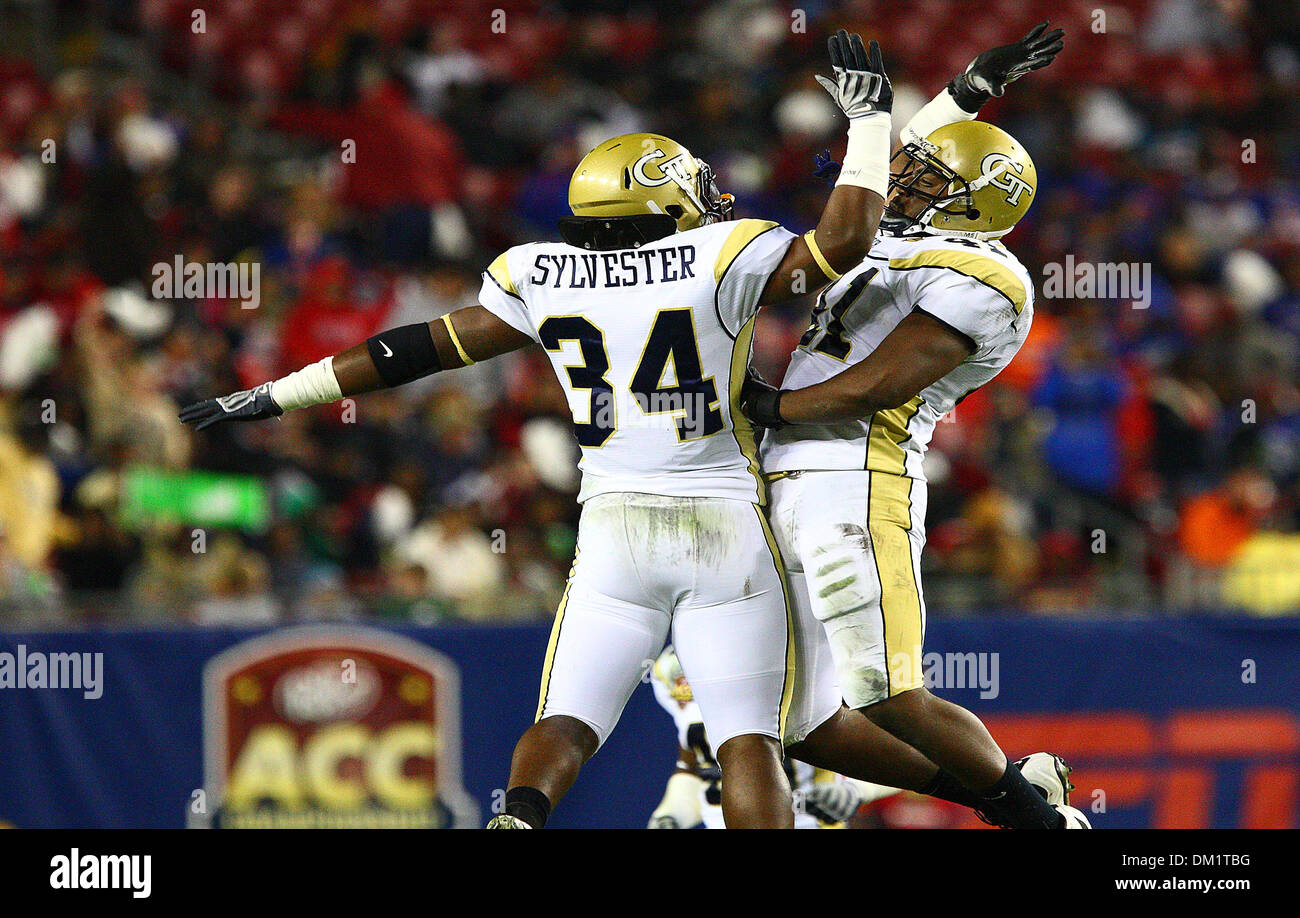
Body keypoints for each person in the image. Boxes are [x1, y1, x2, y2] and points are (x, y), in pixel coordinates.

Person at [179, 30, 895, 829]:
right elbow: (843, 241)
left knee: (567, 719)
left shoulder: (540, 271)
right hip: (726, 519)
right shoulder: (725, 250)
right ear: (666, 202)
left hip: (615, 528)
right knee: (747, 739)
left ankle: (518, 818)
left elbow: (414, 350)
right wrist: (870, 127)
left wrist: (279, 394)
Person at [745, 23, 1091, 829]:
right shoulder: (924, 227)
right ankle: (1017, 796)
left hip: (856, 479)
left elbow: (877, 383)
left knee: (888, 691)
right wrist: (973, 84)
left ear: (965, 204)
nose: (902, 173)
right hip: (788, 472)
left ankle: (1034, 821)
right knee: (800, 724)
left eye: (925, 177)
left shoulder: (987, 276)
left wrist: (768, 405)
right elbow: (927, 142)